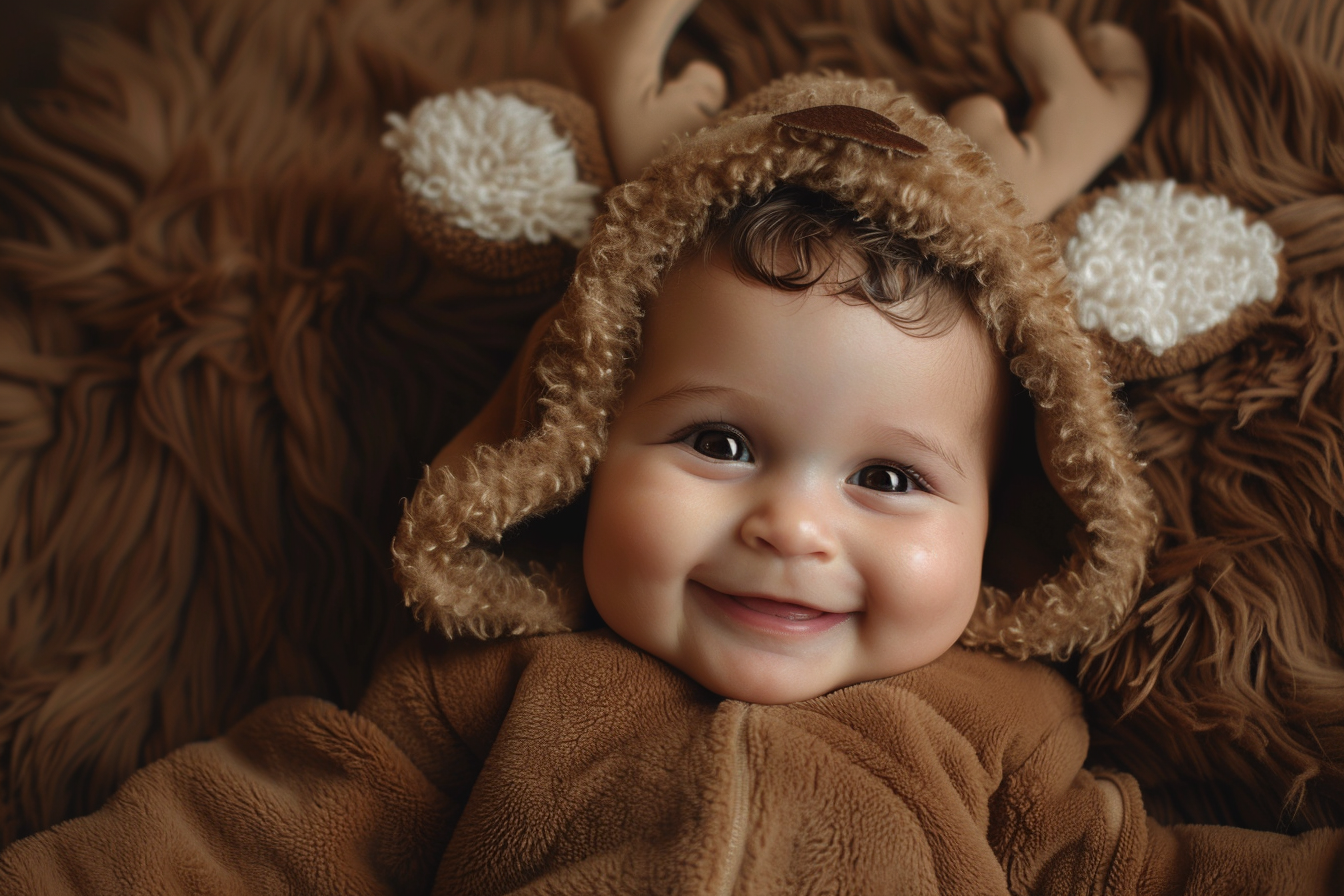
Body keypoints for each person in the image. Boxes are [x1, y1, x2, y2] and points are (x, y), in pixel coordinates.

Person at [1, 2, 1340, 892]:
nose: (794, 528)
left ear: (1011, 518)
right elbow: (246, 841)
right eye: (717, 439)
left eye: (888, 477)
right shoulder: (485, 693)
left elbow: (1158, 878)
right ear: (579, 437)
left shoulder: (1004, 740)